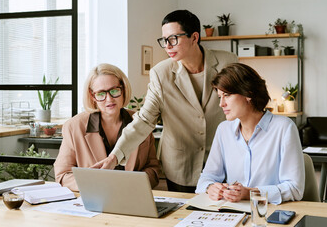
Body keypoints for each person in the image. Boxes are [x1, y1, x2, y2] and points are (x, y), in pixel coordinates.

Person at [93, 10, 238, 192]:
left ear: (194, 37)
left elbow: (241, 110)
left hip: (224, 162)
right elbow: (145, 120)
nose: (167, 46)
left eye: (173, 38)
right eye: (164, 40)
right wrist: (114, 156)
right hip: (180, 166)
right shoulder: (160, 74)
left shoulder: (228, 62)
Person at [195, 63, 305, 204]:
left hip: (270, 212)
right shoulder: (224, 130)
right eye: (219, 97)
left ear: (248, 93)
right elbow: (207, 177)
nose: (221, 104)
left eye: (227, 95)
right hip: (231, 212)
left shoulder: (284, 128)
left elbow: (295, 189)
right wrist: (210, 187)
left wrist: (252, 193)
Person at [54, 63, 161, 191]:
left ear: (123, 89)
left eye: (114, 91)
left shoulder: (140, 122)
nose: (109, 99)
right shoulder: (74, 127)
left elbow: (153, 170)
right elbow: (62, 175)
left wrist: (130, 185)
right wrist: (95, 185)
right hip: (93, 200)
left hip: (132, 196)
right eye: (101, 94)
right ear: (92, 96)